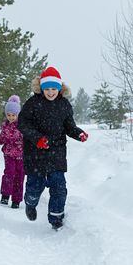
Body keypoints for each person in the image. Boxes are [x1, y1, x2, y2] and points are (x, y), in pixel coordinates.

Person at [18, 66, 88, 230]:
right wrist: (37, 139)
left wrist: (79, 134)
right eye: (47, 89)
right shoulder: (33, 103)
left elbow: (69, 127)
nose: (50, 92)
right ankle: (30, 202)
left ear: (59, 88)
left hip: (56, 152)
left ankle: (56, 219)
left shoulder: (64, 105)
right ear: (41, 88)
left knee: (59, 188)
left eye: (53, 89)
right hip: (36, 153)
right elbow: (23, 124)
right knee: (35, 186)